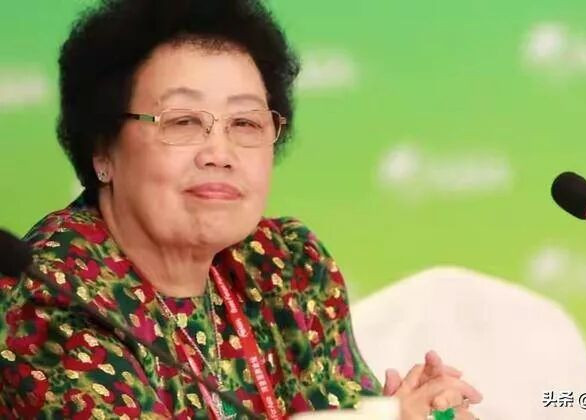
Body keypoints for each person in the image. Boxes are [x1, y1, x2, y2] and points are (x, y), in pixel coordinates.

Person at [0, 0, 482, 418]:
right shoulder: (47, 301)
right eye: (183, 121)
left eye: (246, 124)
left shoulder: (285, 266)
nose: (220, 153)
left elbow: (344, 411)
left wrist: (410, 412)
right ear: (103, 149)